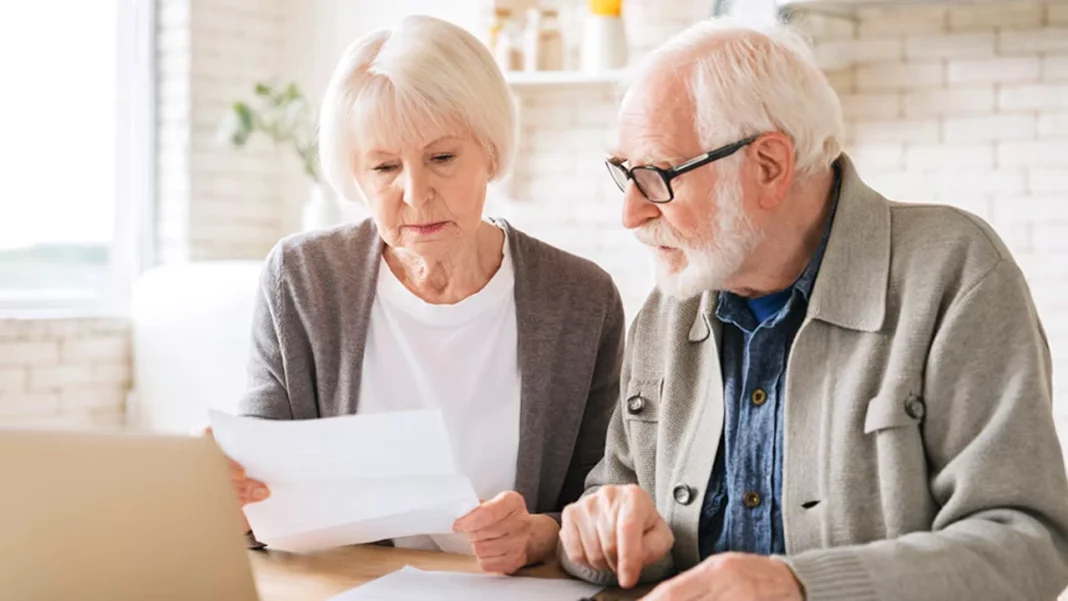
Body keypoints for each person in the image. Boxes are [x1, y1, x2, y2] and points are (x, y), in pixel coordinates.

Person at [558, 17, 1068, 601]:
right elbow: (609, 503)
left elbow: (1027, 545)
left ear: (769, 166)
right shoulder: (667, 310)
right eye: (624, 173)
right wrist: (603, 536)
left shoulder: (953, 272)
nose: (631, 213)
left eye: (656, 175)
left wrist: (801, 586)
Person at [219, 15, 625, 576]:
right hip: (347, 587)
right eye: (384, 167)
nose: (415, 193)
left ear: (490, 152)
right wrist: (230, 496)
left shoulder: (581, 300)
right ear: (355, 176)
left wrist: (540, 535)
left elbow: (604, 498)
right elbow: (258, 497)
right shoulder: (302, 280)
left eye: (442, 158)